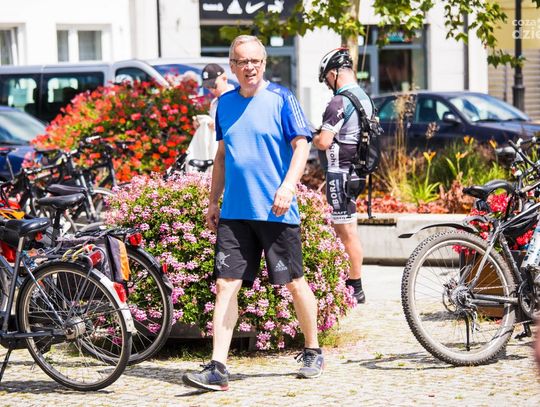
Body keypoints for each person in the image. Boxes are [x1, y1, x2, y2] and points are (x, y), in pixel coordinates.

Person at [182, 35, 323, 392]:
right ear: (232, 66)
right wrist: (213, 201)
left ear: (264, 63)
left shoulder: (282, 99)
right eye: (242, 61)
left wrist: (288, 186)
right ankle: (218, 367)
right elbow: (221, 157)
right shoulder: (225, 104)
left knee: (294, 282)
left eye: (255, 61)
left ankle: (313, 350)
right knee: (225, 284)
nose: (250, 67)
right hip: (235, 212)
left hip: (276, 211)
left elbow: (302, 146)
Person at [313, 48, 375, 304]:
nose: (328, 85)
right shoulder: (364, 97)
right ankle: (351, 282)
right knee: (349, 229)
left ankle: (354, 287)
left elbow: (324, 142)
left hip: (340, 173)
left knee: (345, 231)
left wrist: (311, 135)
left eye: (327, 79)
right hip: (355, 173)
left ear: (334, 73)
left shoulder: (339, 101)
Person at [187, 64, 234, 170]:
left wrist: (217, 126)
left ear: (224, 78)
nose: (212, 90)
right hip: (216, 150)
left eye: (214, 86)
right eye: (208, 87)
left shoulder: (235, 98)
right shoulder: (215, 102)